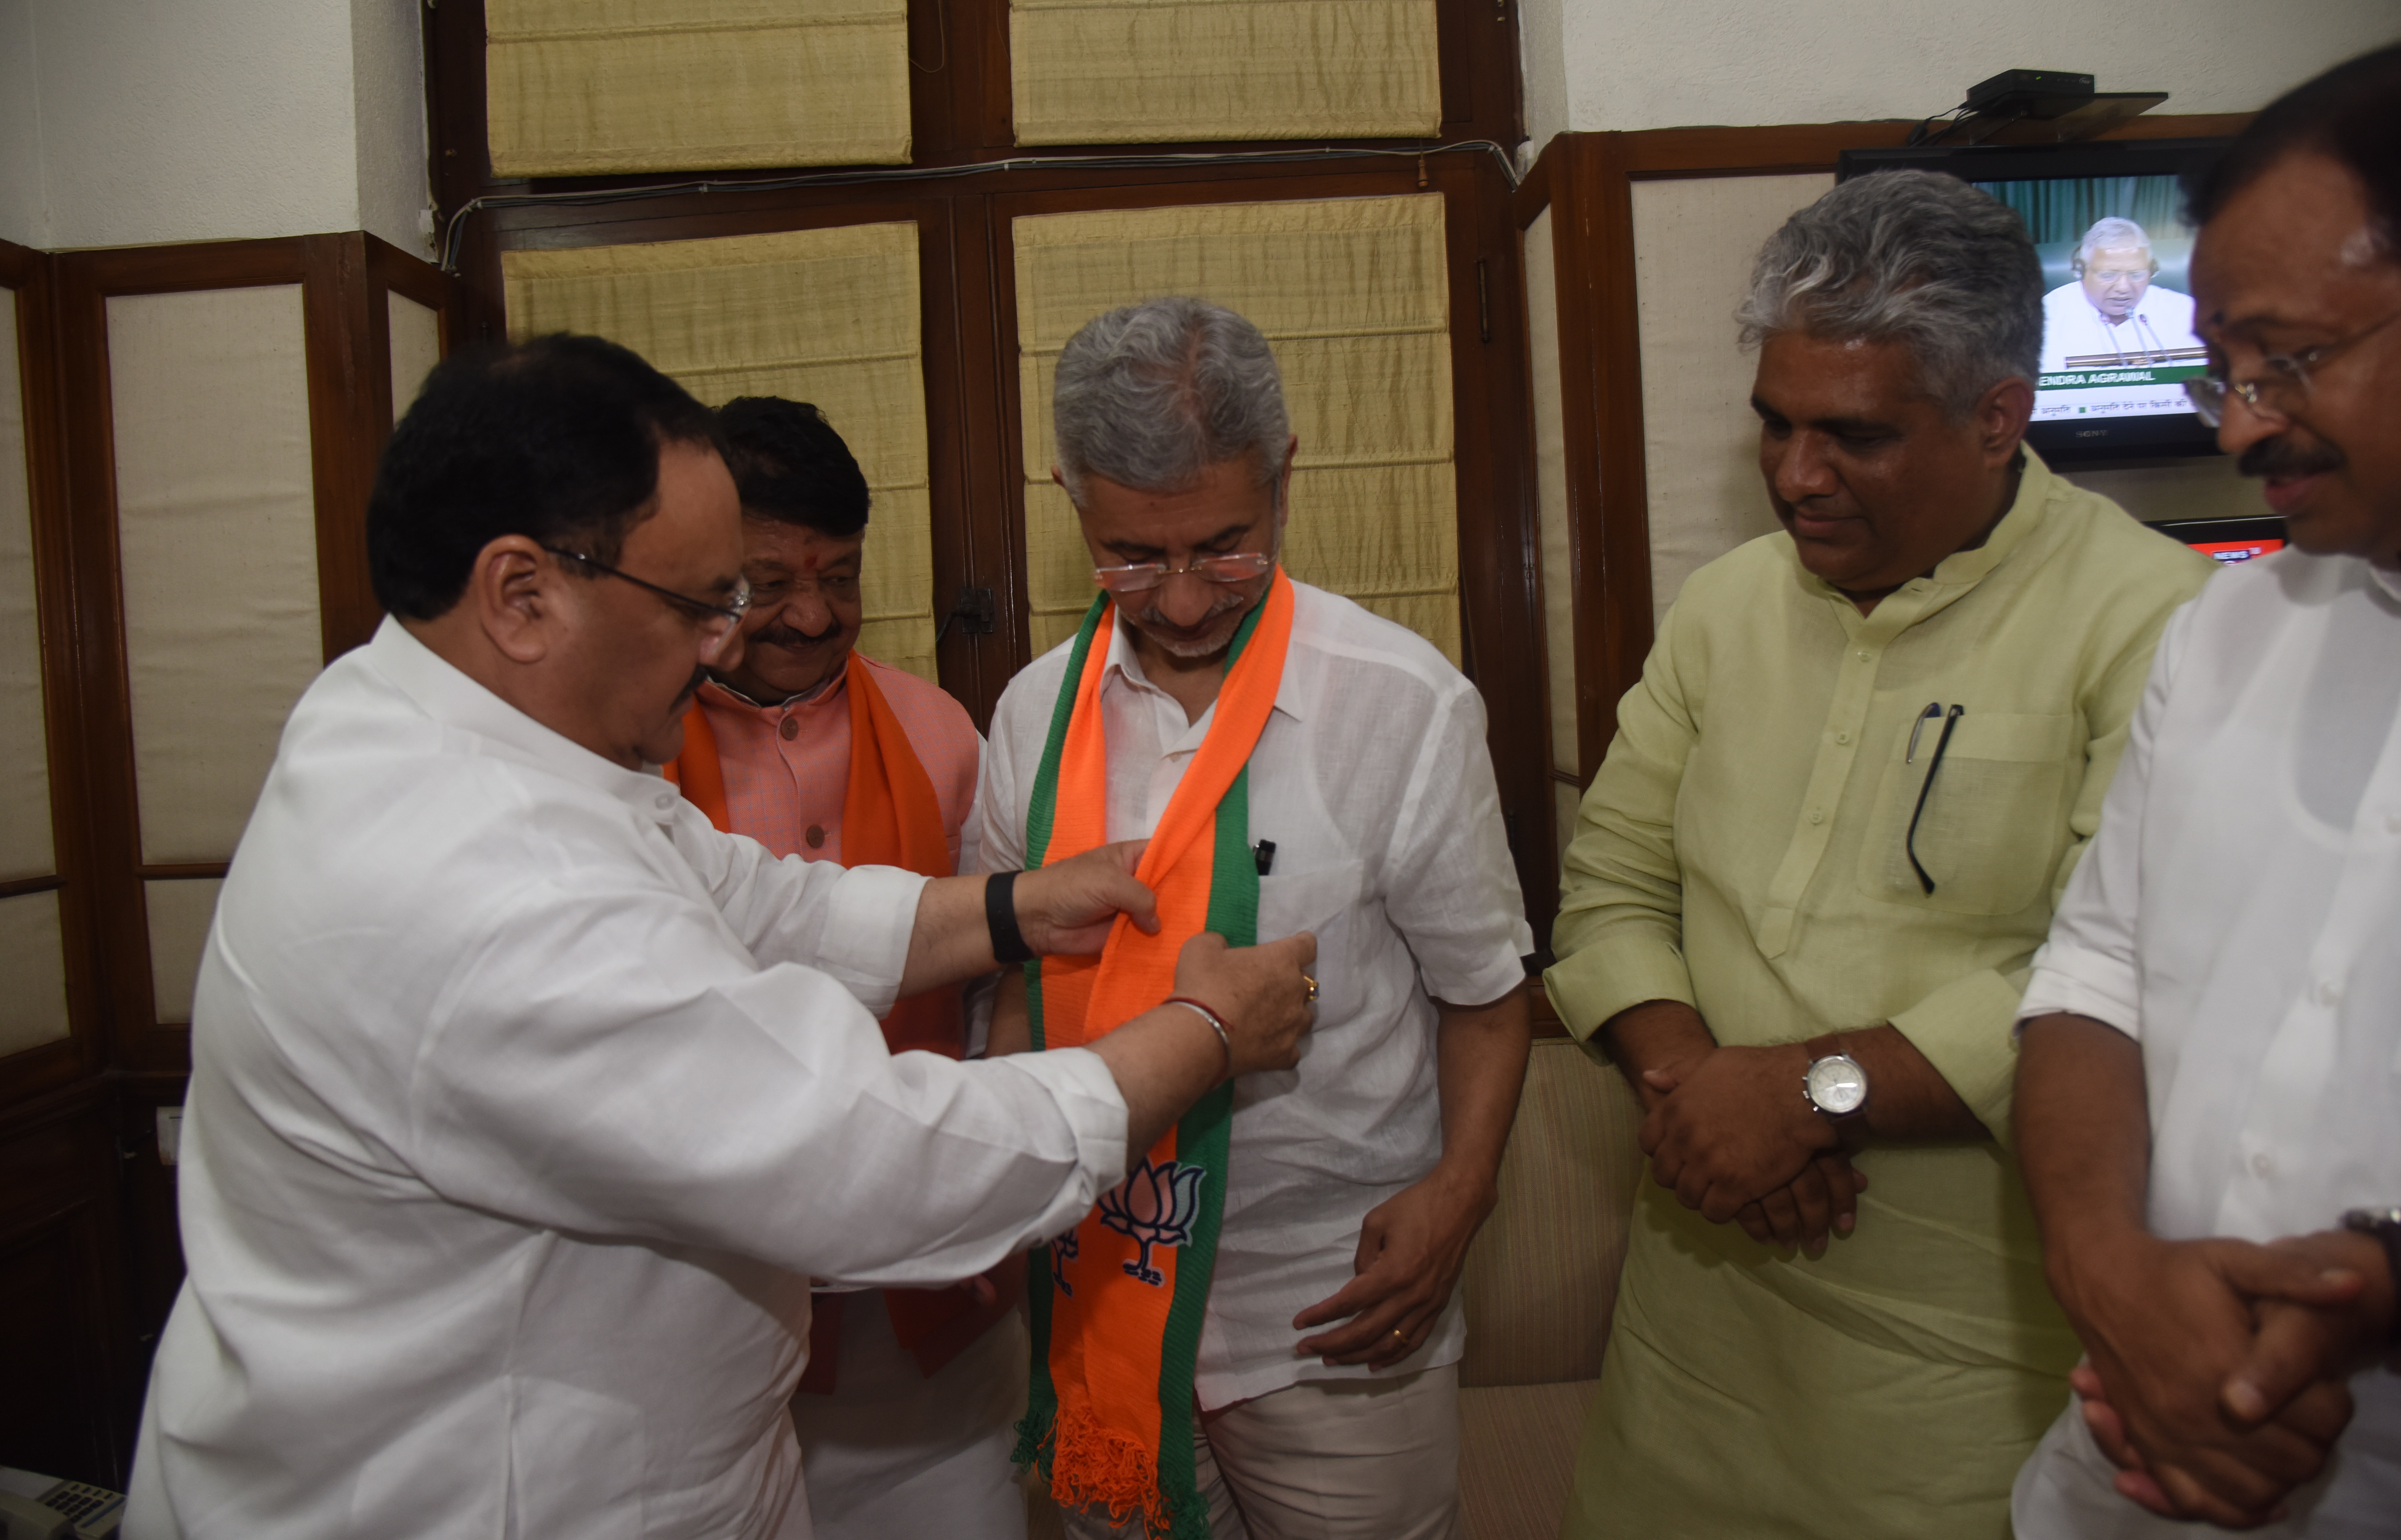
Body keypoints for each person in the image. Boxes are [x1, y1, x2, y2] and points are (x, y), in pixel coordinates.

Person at [122, 334, 1316, 1540]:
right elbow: (872, 1170)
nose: (730, 646)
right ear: (521, 593)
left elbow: (764, 904)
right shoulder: (487, 886)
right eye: (703, 604)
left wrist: (1015, 905)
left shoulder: (434, 721)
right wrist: (1207, 1030)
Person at [1546, 170, 2215, 1540]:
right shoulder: (1727, 604)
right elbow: (1609, 890)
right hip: (1691, 1327)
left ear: (1996, 418)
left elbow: (2121, 975)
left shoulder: (2155, 622)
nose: (1795, 475)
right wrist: (1701, 1094)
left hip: (1962, 1377)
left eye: (1852, 434)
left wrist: (1812, 1093)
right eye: (1774, 426)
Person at [980, 297, 1534, 1540]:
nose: (1179, 603)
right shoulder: (1030, 717)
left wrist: (1463, 1192)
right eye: (1131, 556)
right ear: (1068, 495)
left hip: (1332, 1309)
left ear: (1286, 479)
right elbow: (999, 988)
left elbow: (1485, 996)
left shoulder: (1403, 706)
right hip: (1097, 1288)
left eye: (1223, 547)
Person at [2012, 43, 2401, 1537]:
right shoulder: (2230, 627)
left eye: (2289, 360)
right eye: (2225, 368)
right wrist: (2113, 1274)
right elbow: (2096, 970)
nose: (2239, 428)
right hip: (2123, 1474)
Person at [662, 395, 1024, 1540]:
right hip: (710, 1310)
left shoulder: (940, 731)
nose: (812, 617)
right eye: (767, 585)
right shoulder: (625, 749)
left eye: (843, 577)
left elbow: (996, 986)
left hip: (930, 1311)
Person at [2040, 217, 2203, 371]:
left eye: (2136, 274)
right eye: (2109, 275)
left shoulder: (2186, 312)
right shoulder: (2045, 317)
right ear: (2080, 271)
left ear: (2152, 270)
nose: (2124, 287)